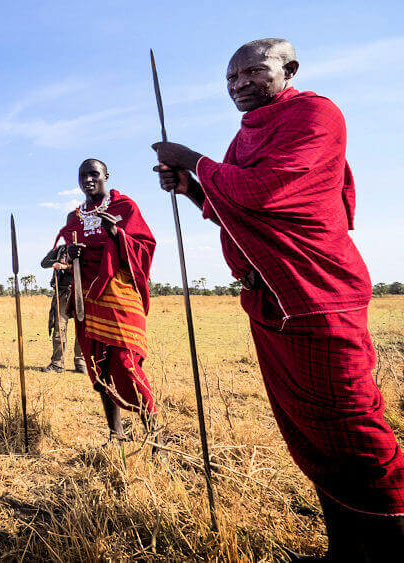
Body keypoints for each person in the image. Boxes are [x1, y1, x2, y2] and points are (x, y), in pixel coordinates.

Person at [153, 38, 404, 558]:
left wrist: (194, 161)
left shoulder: (316, 114)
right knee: (313, 437)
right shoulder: (245, 136)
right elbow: (242, 208)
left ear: (288, 68)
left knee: (354, 430)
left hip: (315, 292)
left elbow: (269, 191)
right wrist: (194, 188)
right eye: (230, 78)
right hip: (269, 300)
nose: (239, 83)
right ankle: (345, 549)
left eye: (252, 72)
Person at [54, 159, 157, 442]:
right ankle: (116, 433)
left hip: (120, 295)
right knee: (97, 365)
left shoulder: (125, 208)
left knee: (126, 363)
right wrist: (70, 254)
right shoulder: (73, 217)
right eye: (82, 175)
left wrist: (118, 234)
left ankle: (154, 433)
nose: (88, 179)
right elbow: (62, 255)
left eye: (94, 173)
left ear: (106, 176)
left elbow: (146, 247)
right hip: (87, 297)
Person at [40, 234, 87, 374]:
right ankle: (57, 363)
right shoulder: (60, 249)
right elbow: (44, 263)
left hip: (80, 292)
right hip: (62, 292)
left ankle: (81, 363)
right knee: (59, 328)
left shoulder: (85, 248)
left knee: (82, 329)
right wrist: (56, 262)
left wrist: (66, 267)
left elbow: (87, 266)